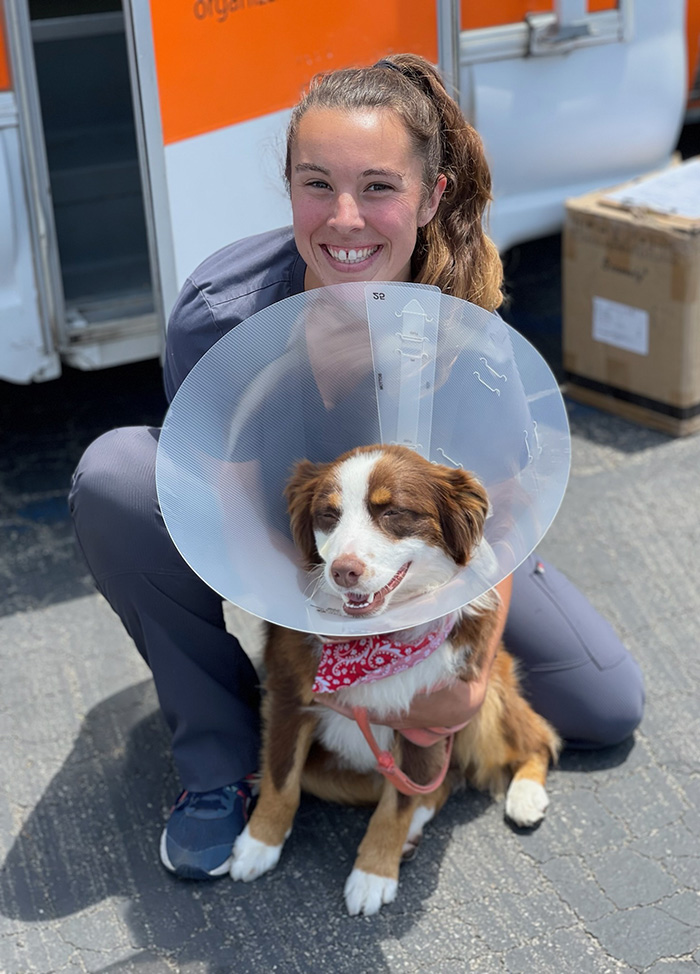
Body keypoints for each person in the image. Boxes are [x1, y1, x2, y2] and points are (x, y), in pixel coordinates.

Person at [69, 53, 644, 881]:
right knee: (119, 476)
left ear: (431, 195)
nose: (344, 218)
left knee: (602, 707)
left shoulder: (465, 320)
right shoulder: (221, 315)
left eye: (378, 186)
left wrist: (465, 678)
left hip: (431, 555)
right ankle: (221, 762)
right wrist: (329, 633)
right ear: (290, 190)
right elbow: (232, 513)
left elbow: (503, 518)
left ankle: (429, 734)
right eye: (316, 185)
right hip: (293, 538)